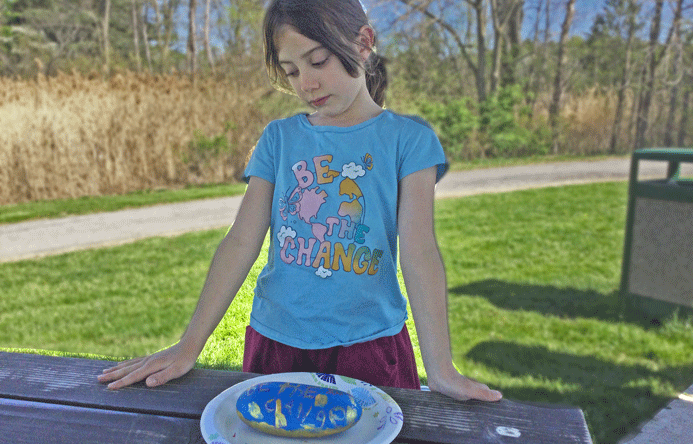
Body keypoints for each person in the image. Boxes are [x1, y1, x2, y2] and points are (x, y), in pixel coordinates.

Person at [98, 0, 502, 403]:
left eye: (318, 61)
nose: (305, 84)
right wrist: (188, 346)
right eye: (291, 71)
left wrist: (441, 368)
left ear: (363, 42)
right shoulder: (278, 139)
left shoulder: (409, 141)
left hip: (370, 349)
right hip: (276, 347)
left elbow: (419, 252)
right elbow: (240, 242)